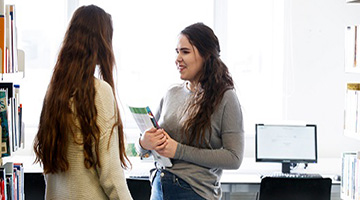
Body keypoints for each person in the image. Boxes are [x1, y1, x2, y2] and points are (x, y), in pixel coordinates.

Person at [33, 5, 133, 200]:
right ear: (101, 41)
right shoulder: (99, 91)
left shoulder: (55, 91)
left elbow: (49, 165)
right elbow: (111, 174)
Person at [136, 22, 244, 200]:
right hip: (159, 187)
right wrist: (143, 143)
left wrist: (179, 151)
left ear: (205, 55)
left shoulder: (225, 98)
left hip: (194, 192)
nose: (178, 58)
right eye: (177, 51)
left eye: (185, 51)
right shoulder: (171, 93)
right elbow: (146, 149)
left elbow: (234, 158)